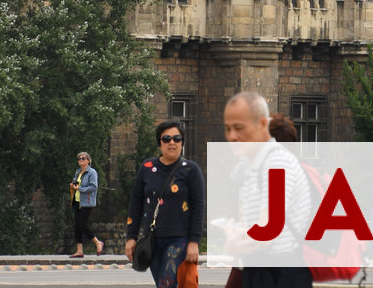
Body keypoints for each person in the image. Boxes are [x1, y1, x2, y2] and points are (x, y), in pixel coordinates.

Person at [223, 92, 312, 288]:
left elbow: (269, 228)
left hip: (276, 268)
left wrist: (236, 243)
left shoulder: (276, 165)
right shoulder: (259, 165)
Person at [125, 121, 205, 287]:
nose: (172, 143)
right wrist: (131, 237)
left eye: (177, 139)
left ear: (182, 142)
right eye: (167, 139)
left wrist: (194, 242)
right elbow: (136, 204)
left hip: (179, 239)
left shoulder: (191, 170)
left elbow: (198, 207)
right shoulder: (147, 168)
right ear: (159, 142)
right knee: (163, 284)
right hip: (152, 241)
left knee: (166, 284)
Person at [70, 152, 104, 258]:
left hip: (87, 202)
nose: (81, 160)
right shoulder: (78, 172)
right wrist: (72, 185)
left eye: (83, 158)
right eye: (79, 158)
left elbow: (93, 187)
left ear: (88, 160)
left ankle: (98, 243)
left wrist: (79, 188)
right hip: (77, 201)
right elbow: (76, 183)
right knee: (77, 227)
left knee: (82, 225)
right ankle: (79, 251)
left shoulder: (92, 172)